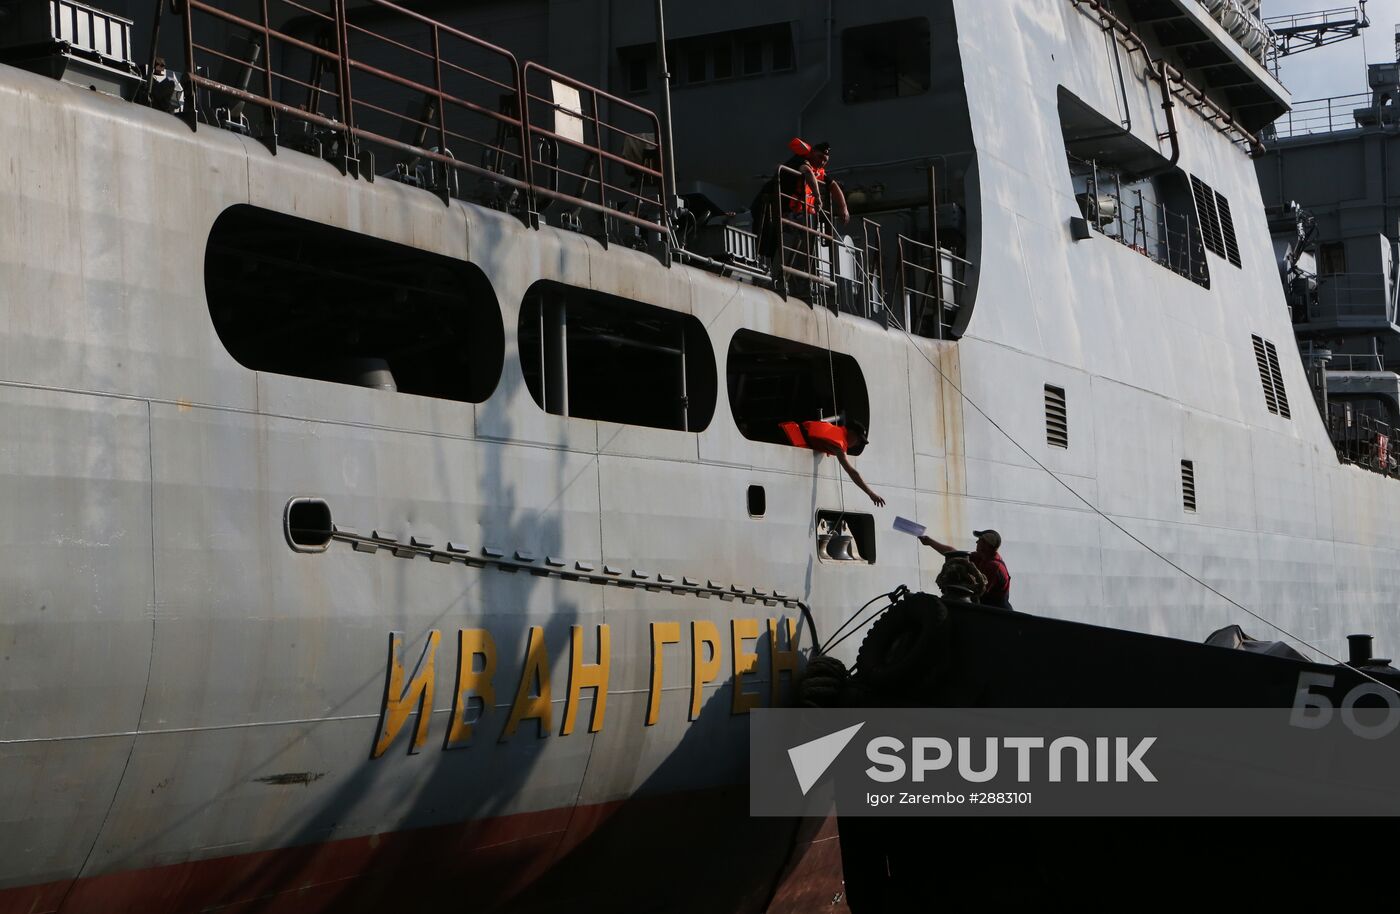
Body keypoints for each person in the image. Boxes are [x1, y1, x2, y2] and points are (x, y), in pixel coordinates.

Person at [750, 139, 850, 263]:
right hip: (767, 203)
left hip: (782, 209)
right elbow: (807, 171)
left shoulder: (817, 171)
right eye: (820, 157)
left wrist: (843, 208)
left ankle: (770, 266)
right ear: (812, 152)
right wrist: (817, 197)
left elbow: (833, 185)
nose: (821, 162)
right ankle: (757, 262)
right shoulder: (800, 160)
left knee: (779, 237)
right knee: (764, 234)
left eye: (825, 160)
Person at [780, 417, 885, 507]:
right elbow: (852, 472)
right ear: (851, 433)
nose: (857, 444)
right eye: (858, 440)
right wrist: (871, 493)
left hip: (789, 430)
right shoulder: (839, 445)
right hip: (787, 439)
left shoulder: (835, 431)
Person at [919, 529, 1012, 609]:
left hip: (997, 613)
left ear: (985, 544)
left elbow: (980, 590)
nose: (976, 542)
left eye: (979, 540)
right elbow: (954, 553)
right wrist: (929, 542)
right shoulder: (982, 557)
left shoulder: (994, 567)